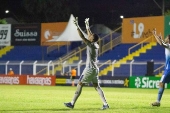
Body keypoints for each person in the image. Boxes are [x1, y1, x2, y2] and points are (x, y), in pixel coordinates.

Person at [64, 17, 109, 110]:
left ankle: (72, 103)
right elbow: (89, 35)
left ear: (92, 39)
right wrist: (87, 25)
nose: (90, 35)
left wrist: (77, 26)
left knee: (80, 84)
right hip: (94, 69)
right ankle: (105, 104)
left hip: (89, 69)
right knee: (97, 87)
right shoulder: (95, 44)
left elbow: (82, 37)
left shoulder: (91, 45)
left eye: (91, 35)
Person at [151, 28, 170, 107]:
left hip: (168, 70)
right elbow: (162, 43)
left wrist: (155, 35)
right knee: (162, 83)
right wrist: (159, 38)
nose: (165, 38)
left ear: (169, 39)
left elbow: (162, 44)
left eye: (166, 37)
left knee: (161, 83)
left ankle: (158, 101)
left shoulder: (169, 46)